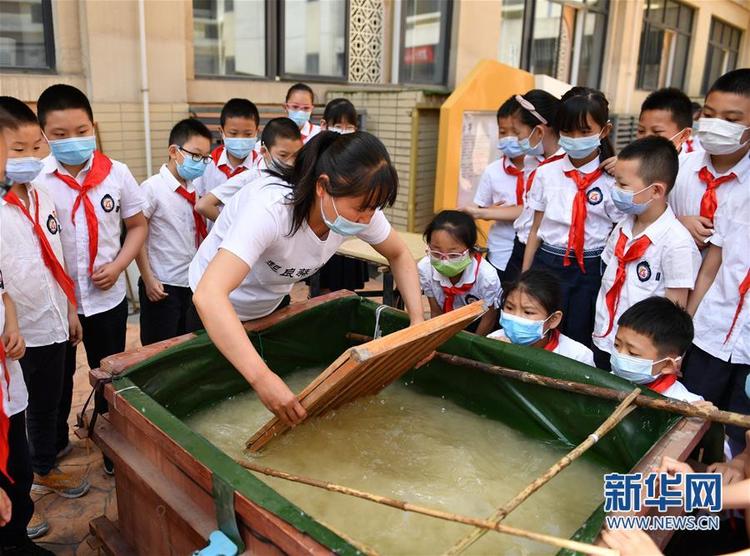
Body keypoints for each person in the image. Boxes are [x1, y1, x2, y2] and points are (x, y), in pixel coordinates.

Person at [189, 131, 424, 425]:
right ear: (323, 186)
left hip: (270, 305)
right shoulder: (271, 209)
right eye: (361, 209)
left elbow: (400, 254)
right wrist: (262, 378)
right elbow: (209, 296)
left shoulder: (357, 210)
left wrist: (417, 323)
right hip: (211, 311)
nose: (367, 219)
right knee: (210, 403)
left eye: (373, 209)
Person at [34, 84, 147, 475]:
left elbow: (136, 225)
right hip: (56, 308)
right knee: (56, 382)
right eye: (60, 135)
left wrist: (117, 266)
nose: (73, 141)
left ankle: (112, 445)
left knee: (108, 375)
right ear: (43, 134)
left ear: (93, 126)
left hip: (107, 300)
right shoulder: (36, 181)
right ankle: (52, 448)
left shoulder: (117, 173)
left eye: (81, 131)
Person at [0, 96, 90, 513]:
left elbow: (58, 261)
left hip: (54, 320)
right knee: (26, 408)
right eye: (18, 149)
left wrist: (70, 311)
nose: (33, 155)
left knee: (55, 393)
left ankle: (45, 458)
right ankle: (36, 473)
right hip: (20, 334)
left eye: (36, 145)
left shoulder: (41, 196)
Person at [522, 87, 623, 346]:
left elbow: (619, 230)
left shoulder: (614, 180)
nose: (575, 138)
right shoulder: (547, 173)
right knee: (538, 333)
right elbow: (536, 228)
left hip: (589, 269)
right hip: (547, 262)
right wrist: (525, 276)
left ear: (604, 131)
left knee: (577, 337)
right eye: (567, 131)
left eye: (585, 131)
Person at [591, 136, 700, 371]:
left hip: (639, 356)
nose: (615, 190)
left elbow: (673, 311)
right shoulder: (623, 226)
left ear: (656, 190)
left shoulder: (676, 243)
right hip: (607, 337)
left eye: (623, 185)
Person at [0, 106, 52, 555]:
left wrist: (10, 321)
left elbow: (3, 285)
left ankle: (18, 535)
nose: (29, 158)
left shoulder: (30, 197)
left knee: (18, 466)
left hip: (8, 371)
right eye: (17, 150)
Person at [683, 190, 750, 455]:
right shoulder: (737, 199)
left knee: (739, 434)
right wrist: (685, 329)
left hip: (747, 353)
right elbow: (709, 272)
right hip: (711, 332)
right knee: (692, 419)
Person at [135, 119, 212, 346]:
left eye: (206, 158)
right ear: (174, 151)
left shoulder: (196, 190)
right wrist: (148, 279)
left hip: (191, 282)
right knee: (159, 348)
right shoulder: (152, 188)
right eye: (196, 155)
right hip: (162, 286)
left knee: (187, 345)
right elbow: (137, 235)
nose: (201, 163)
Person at [670, 69, 750, 249]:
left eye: (730, 119)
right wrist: (676, 223)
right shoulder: (677, 168)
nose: (715, 124)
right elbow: (643, 217)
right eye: (708, 115)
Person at [505, 90, 563, 284]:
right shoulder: (531, 159)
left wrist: (526, 271)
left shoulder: (563, 167)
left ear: (538, 131)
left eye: (517, 132)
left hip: (543, 253)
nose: (514, 139)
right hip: (520, 244)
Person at [462, 96, 523, 280]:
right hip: (499, 254)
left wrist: (488, 213)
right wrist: (488, 211)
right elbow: (480, 208)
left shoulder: (542, 169)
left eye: (515, 131)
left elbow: (529, 211)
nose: (509, 138)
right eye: (503, 132)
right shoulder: (493, 171)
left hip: (532, 257)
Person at [196, 118, 302, 222]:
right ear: (264, 152)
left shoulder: (299, 175)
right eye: (283, 155)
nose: (291, 162)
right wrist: (234, 229)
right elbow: (203, 205)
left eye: (296, 156)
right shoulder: (251, 178)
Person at [315, 98, 370, 293]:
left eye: (349, 127)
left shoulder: (361, 158)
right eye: (338, 126)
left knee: (348, 288)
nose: (343, 131)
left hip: (349, 233)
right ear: (325, 125)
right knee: (322, 287)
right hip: (325, 230)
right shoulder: (316, 155)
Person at [418, 210, 501, 336]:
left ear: (471, 252)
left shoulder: (487, 277)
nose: (444, 261)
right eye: (436, 253)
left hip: (477, 327)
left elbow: (488, 318)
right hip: (445, 321)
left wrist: (470, 348)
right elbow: (435, 312)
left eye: (453, 255)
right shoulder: (425, 268)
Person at [488, 269, 594, 365]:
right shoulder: (492, 342)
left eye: (528, 312)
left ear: (553, 319)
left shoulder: (577, 357)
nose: (516, 317)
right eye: (509, 308)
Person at [609, 297, 703, 403]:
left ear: (668, 364)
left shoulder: (684, 403)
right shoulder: (607, 380)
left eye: (633, 353)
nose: (620, 355)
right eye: (616, 345)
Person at [194, 98, 260, 196]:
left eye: (248, 134)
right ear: (221, 132)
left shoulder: (261, 166)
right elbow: (197, 195)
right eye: (233, 133)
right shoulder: (208, 164)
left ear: (256, 132)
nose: (240, 139)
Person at [636, 87, 699, 155]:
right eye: (641, 131)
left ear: (684, 135)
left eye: (657, 131)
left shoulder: (692, 164)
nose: (646, 138)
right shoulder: (629, 163)